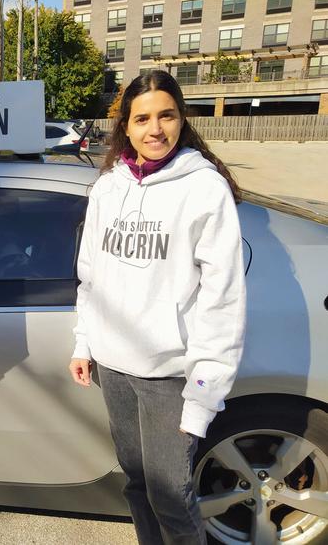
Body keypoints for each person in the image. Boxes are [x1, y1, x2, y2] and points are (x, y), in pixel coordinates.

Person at [68, 70, 245, 544]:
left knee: (171, 496)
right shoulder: (109, 186)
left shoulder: (204, 188)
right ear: (125, 126)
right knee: (137, 484)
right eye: (142, 118)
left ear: (181, 119)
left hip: (168, 376)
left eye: (166, 116)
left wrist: (203, 398)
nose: (155, 129)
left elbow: (223, 299)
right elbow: (91, 274)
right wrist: (84, 343)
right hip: (113, 368)